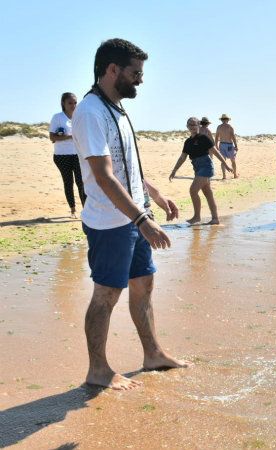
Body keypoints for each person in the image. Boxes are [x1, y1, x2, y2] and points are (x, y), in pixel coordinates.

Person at [71, 38, 187, 391]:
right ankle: (98, 370)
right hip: (110, 222)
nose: (140, 79)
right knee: (106, 294)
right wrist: (142, 220)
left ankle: (152, 354)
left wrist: (154, 194)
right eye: (135, 72)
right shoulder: (90, 112)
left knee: (144, 285)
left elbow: (126, 165)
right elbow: (104, 176)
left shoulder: (116, 109)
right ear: (112, 70)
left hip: (134, 214)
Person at [169, 117, 231, 225]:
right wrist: (174, 170)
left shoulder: (204, 138)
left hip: (206, 166)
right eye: (190, 124)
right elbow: (182, 157)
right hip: (197, 168)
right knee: (208, 193)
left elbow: (215, 152)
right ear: (187, 127)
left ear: (198, 125)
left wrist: (225, 164)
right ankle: (215, 219)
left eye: (194, 124)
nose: (192, 126)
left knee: (193, 190)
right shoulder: (188, 142)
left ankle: (197, 217)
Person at [49, 92, 86, 218]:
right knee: (68, 182)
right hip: (62, 156)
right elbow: (52, 137)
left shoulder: (80, 117)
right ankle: (73, 210)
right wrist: (69, 136)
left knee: (81, 182)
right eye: (70, 103)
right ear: (63, 104)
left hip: (78, 155)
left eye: (75, 102)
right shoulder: (57, 117)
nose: (73, 105)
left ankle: (85, 210)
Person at [215, 113, 239, 179]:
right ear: (228, 120)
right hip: (229, 145)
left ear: (221, 120)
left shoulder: (219, 127)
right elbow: (233, 137)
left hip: (222, 144)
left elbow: (216, 137)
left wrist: (216, 145)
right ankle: (235, 174)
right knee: (233, 160)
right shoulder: (230, 127)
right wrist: (236, 145)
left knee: (223, 160)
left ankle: (224, 176)